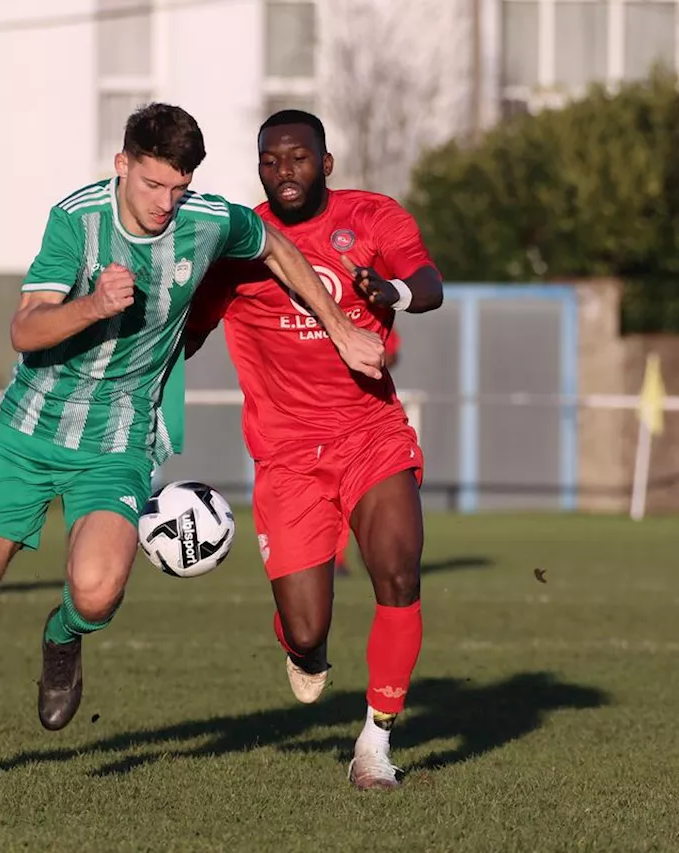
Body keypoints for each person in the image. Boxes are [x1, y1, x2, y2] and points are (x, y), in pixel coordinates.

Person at [0, 103, 384, 791]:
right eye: (153, 186)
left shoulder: (207, 219)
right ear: (123, 165)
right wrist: (91, 304)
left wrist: (338, 327)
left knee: (95, 592)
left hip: (118, 439)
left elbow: (274, 248)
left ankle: (63, 634)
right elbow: (25, 330)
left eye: (178, 188)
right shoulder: (77, 220)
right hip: (26, 433)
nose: (165, 204)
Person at [186, 110, 444, 790]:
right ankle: (303, 644)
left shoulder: (373, 217)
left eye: (298, 158)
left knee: (399, 570)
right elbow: (189, 330)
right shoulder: (238, 243)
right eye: (270, 160)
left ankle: (375, 744)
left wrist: (392, 292)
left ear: (326, 163)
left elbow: (430, 282)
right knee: (307, 629)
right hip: (288, 455)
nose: (283, 171)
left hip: (371, 433)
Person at [334, 327, 400, 577]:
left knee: (372, 493)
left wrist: (373, 358)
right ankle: (336, 561)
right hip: (321, 421)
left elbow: (392, 352)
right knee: (333, 496)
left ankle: (374, 550)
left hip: (367, 418)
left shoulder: (370, 307)